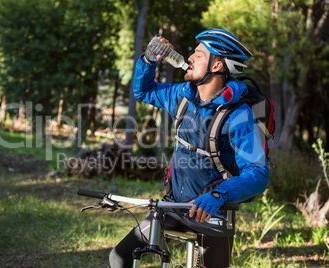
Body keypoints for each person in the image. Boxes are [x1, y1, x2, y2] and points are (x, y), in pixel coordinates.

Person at [109, 28, 270, 268]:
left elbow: (258, 173)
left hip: (211, 214)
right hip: (172, 207)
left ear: (216, 66)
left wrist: (218, 196)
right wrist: (147, 60)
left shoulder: (239, 115)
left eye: (199, 54)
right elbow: (143, 91)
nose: (190, 58)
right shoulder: (182, 96)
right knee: (119, 257)